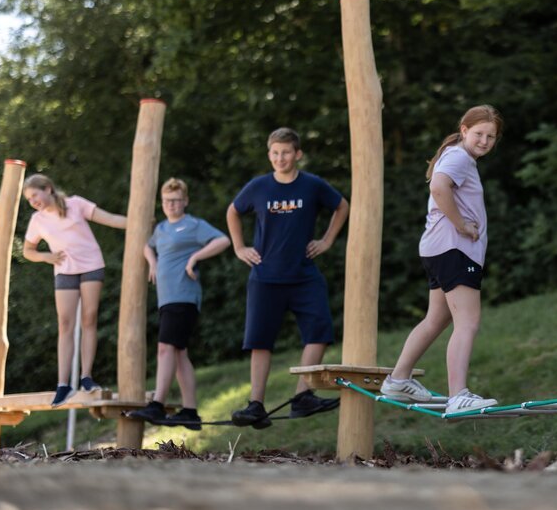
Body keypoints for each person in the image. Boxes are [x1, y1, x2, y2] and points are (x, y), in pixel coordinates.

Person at [380, 105, 503, 415]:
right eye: (479, 134)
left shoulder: (456, 155)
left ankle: (398, 379)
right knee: (468, 322)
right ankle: (458, 394)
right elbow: (438, 187)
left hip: (438, 250)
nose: (484, 141)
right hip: (454, 250)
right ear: (464, 130)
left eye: (491, 137)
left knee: (436, 319)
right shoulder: (459, 157)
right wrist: (461, 225)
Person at [227, 127, 350, 427]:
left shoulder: (312, 185)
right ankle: (256, 405)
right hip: (265, 277)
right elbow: (233, 211)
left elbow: (342, 206)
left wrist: (327, 240)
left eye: (285, 152)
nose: (280, 158)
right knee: (260, 341)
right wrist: (239, 247)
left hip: (304, 275)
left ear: (298, 154)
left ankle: (302, 397)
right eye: (275, 153)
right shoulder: (258, 187)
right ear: (269, 155)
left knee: (320, 331)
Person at [128, 178, 231, 430]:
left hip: (184, 296)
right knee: (178, 353)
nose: (171, 205)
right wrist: (152, 263)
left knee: (165, 348)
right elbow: (147, 246)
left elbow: (223, 240)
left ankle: (157, 405)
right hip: (166, 298)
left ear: (185, 201)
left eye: (175, 201)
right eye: (166, 201)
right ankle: (190, 412)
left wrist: (195, 257)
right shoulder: (162, 228)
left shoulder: (193, 225)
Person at [22, 173, 127, 407]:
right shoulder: (37, 220)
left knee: (89, 318)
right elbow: (27, 251)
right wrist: (46, 257)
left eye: (34, 195)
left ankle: (86, 377)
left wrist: (137, 221)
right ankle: (63, 384)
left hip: (91, 266)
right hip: (64, 270)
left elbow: (109, 218)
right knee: (65, 324)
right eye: (29, 199)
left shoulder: (76, 204)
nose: (33, 201)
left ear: (47, 189)